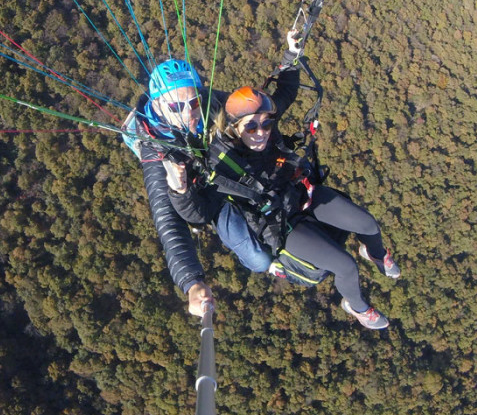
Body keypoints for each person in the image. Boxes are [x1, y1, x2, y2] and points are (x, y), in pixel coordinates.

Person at [163, 31, 401, 331]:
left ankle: (376, 255)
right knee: (345, 266)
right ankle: (358, 308)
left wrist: (291, 55)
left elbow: (286, 92)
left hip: (302, 195)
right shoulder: (219, 161)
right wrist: (179, 188)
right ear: (235, 128)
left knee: (368, 225)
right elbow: (198, 212)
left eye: (265, 123)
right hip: (283, 224)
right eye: (251, 127)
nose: (261, 131)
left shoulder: (266, 126)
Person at [122, 59, 223, 317]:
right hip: (172, 157)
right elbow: (167, 220)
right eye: (177, 106)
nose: (188, 112)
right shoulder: (153, 149)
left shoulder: (208, 103)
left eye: (193, 103)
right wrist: (191, 281)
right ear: (157, 105)